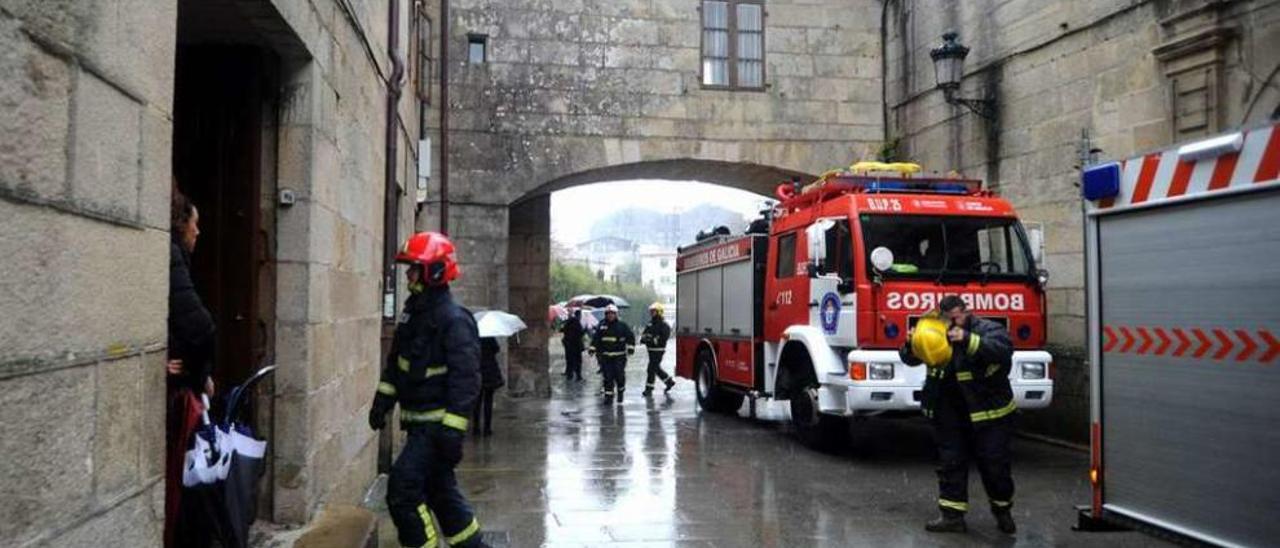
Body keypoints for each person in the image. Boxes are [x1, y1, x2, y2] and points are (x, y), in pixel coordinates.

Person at [368, 231, 488, 548]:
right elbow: (397, 365)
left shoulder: (454, 320)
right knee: (441, 493)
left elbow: (467, 381)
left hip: (435, 430)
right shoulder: (413, 316)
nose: (408, 275)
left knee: (403, 492)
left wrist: (452, 431)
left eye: (414, 268)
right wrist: (383, 399)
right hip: (418, 423)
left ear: (434, 271)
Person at [900, 296, 1017, 535]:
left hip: (987, 413)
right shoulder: (936, 328)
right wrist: (912, 343)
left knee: (995, 466)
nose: (951, 324)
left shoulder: (988, 329)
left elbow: (1002, 350)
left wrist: (967, 339)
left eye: (956, 318)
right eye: (947, 320)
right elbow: (910, 358)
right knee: (950, 463)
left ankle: (1002, 510)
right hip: (949, 412)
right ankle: (952, 517)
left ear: (967, 311)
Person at [165, 188, 217, 548]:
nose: (199, 232)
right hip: (177, 399)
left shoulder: (175, 257)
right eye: (195, 224)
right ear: (182, 224)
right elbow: (200, 327)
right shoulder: (173, 256)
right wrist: (199, 379)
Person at [588, 304, 635, 405]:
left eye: (612, 314)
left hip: (619, 356)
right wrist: (592, 348)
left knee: (619, 376)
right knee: (608, 377)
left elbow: (630, 337)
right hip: (606, 357)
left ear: (616, 314)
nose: (610, 316)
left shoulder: (622, 326)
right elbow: (596, 339)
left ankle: (621, 390)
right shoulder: (601, 326)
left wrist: (631, 348)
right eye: (608, 314)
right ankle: (608, 397)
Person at [639, 302, 675, 397]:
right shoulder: (650, 324)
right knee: (656, 368)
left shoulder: (664, 325)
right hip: (650, 350)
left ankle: (649, 389)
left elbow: (662, 338)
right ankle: (669, 381)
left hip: (658, 350)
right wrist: (644, 339)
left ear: (659, 312)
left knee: (651, 369)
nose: (651, 313)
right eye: (651, 311)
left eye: (653, 311)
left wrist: (652, 339)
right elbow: (644, 335)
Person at [473, 337, 504, 436]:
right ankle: (487, 428)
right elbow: (496, 349)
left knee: (477, 402)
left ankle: (476, 427)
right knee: (488, 401)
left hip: (477, 370)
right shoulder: (489, 337)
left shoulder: (474, 337)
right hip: (490, 371)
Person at [561, 308, 585, 381]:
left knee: (569, 360)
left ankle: (569, 375)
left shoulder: (568, 322)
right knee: (578, 361)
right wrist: (584, 331)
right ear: (579, 315)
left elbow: (563, 330)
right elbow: (579, 333)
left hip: (568, 345)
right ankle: (578, 376)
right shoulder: (577, 323)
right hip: (576, 345)